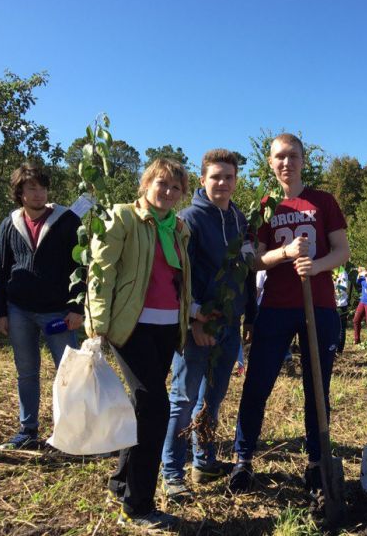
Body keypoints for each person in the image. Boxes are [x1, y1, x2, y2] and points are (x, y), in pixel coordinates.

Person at [229, 133, 350, 492]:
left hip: (320, 306)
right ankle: (243, 459)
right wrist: (284, 255)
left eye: (293, 156)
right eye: (280, 157)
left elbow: (342, 251)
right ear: (271, 163)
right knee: (257, 385)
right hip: (277, 307)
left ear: (303, 160)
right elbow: (253, 261)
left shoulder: (323, 201)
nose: (287, 163)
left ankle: (316, 462)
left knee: (317, 387)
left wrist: (315, 266)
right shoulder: (266, 206)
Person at [87, 158, 191, 530]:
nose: (167, 191)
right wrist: (97, 324)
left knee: (141, 405)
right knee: (155, 408)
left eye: (175, 187)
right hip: (130, 327)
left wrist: (191, 315)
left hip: (166, 329)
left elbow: (177, 281)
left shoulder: (177, 228)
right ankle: (138, 505)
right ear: (146, 183)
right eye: (161, 183)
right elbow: (102, 272)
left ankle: (120, 482)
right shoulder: (122, 218)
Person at [161, 149, 252, 497]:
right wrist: (194, 320)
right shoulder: (190, 219)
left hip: (229, 323)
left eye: (229, 177)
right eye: (216, 177)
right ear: (202, 180)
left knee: (211, 400)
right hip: (198, 324)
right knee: (183, 398)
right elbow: (179, 277)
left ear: (235, 180)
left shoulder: (240, 220)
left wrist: (247, 318)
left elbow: (243, 274)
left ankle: (204, 461)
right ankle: (172, 471)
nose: (223, 183)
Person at [0, 164, 84, 449]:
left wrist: (77, 307)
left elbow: (80, 264)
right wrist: (1, 311)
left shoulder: (67, 219)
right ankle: (27, 430)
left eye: (42, 187)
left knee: (68, 373)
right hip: (19, 309)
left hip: (58, 310)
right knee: (27, 371)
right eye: (31, 188)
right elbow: (0, 268)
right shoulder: (10, 224)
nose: (38, 193)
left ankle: (70, 434)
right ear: (19, 192)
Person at [333, 265, 351, 353]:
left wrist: (333, 288)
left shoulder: (342, 272)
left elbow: (343, 288)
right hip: (331, 303)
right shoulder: (330, 269)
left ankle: (339, 350)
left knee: (341, 328)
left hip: (340, 304)